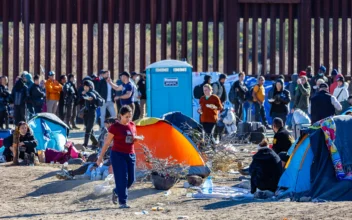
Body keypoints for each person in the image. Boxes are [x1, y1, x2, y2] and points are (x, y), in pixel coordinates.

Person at [96, 105, 141, 208]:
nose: (128, 119)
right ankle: (123, 202)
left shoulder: (132, 125)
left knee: (131, 180)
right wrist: (100, 157)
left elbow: (131, 139)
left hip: (130, 154)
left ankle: (116, 191)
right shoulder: (115, 127)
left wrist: (136, 139)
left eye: (130, 116)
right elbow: (107, 143)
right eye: (126, 116)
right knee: (122, 179)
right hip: (118, 155)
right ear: (120, 116)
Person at [81, 80, 99, 148]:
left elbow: (92, 98)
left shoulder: (92, 93)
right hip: (86, 113)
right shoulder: (85, 93)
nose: (85, 88)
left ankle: (85, 144)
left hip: (92, 113)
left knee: (88, 130)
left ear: (90, 87)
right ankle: (96, 143)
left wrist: (86, 96)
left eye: (86, 87)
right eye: (84, 87)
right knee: (89, 130)